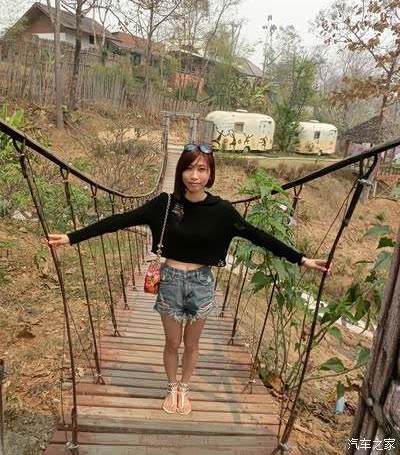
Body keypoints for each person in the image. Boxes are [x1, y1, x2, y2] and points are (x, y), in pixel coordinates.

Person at [48, 143, 330, 416]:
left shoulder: (222, 210)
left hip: (201, 282)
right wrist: (72, 238)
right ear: (180, 171)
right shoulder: (165, 204)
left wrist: (301, 259)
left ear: (210, 173)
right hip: (170, 281)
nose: (195, 176)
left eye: (202, 169)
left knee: (192, 345)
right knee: (172, 343)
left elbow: (258, 235)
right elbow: (120, 220)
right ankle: (171, 387)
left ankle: (184, 388)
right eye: (189, 168)